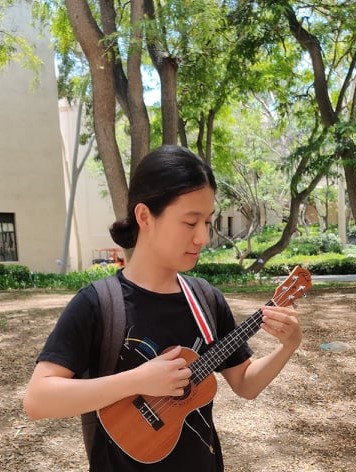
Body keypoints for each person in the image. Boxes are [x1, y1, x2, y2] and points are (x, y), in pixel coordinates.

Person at [23, 145, 302, 472]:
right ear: (144, 217)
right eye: (189, 222)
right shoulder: (98, 304)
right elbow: (38, 399)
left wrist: (288, 347)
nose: (202, 238)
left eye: (207, 222)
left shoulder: (206, 300)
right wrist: (137, 380)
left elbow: (245, 383)